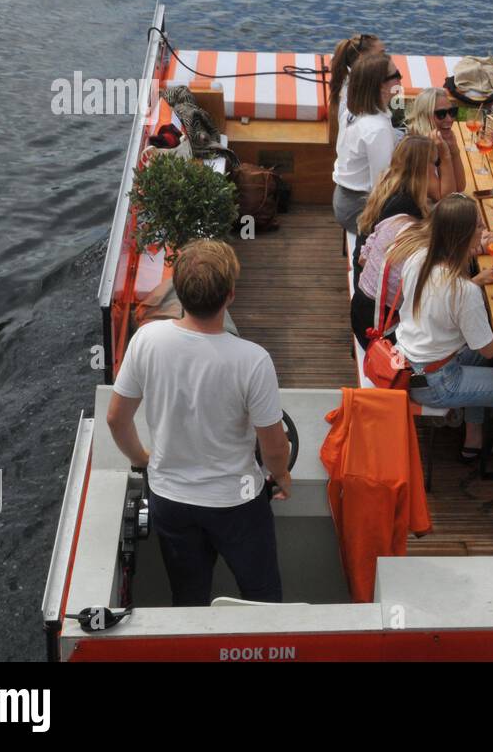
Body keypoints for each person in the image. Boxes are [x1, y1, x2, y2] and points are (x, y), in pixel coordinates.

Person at [105, 240, 289, 607]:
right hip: (237, 503)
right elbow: (273, 445)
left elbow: (115, 419)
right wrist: (280, 475)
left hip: (171, 500)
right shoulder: (253, 360)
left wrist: (143, 458)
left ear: (180, 293)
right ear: (230, 296)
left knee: (188, 596)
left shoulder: (147, 341)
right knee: (263, 595)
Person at [389, 194, 493, 479]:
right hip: (438, 381)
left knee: (488, 361)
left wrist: (475, 281)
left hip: (408, 366)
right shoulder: (462, 292)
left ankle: (473, 441)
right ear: (463, 236)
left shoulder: (420, 257)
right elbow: (490, 347)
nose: (484, 232)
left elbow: (439, 299)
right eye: (479, 228)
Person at [350, 135, 435, 350]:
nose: (436, 170)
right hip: (376, 324)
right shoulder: (405, 206)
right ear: (422, 169)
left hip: (362, 302)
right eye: (434, 163)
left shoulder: (390, 182)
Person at [333, 52, 403, 235]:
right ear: (381, 86)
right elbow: (381, 187)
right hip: (359, 209)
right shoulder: (377, 129)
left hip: (344, 198)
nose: (400, 79)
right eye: (396, 75)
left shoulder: (353, 110)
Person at [405, 88, 467, 199]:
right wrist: (445, 156)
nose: (449, 119)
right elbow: (446, 198)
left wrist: (454, 151)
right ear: (424, 116)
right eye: (441, 114)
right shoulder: (418, 147)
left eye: (452, 112)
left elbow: (460, 187)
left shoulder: (439, 140)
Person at [328, 33, 384, 154]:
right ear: (362, 58)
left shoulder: (352, 87)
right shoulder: (356, 94)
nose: (386, 59)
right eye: (381, 54)